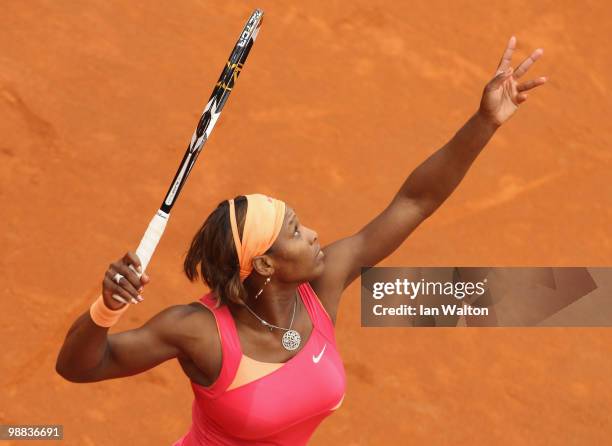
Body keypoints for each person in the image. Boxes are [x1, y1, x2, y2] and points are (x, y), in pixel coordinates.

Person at [55, 36, 547, 445]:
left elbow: (414, 202)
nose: (313, 235)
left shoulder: (321, 287)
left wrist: (485, 122)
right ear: (265, 265)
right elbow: (81, 367)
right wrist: (106, 310)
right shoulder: (199, 332)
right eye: (293, 232)